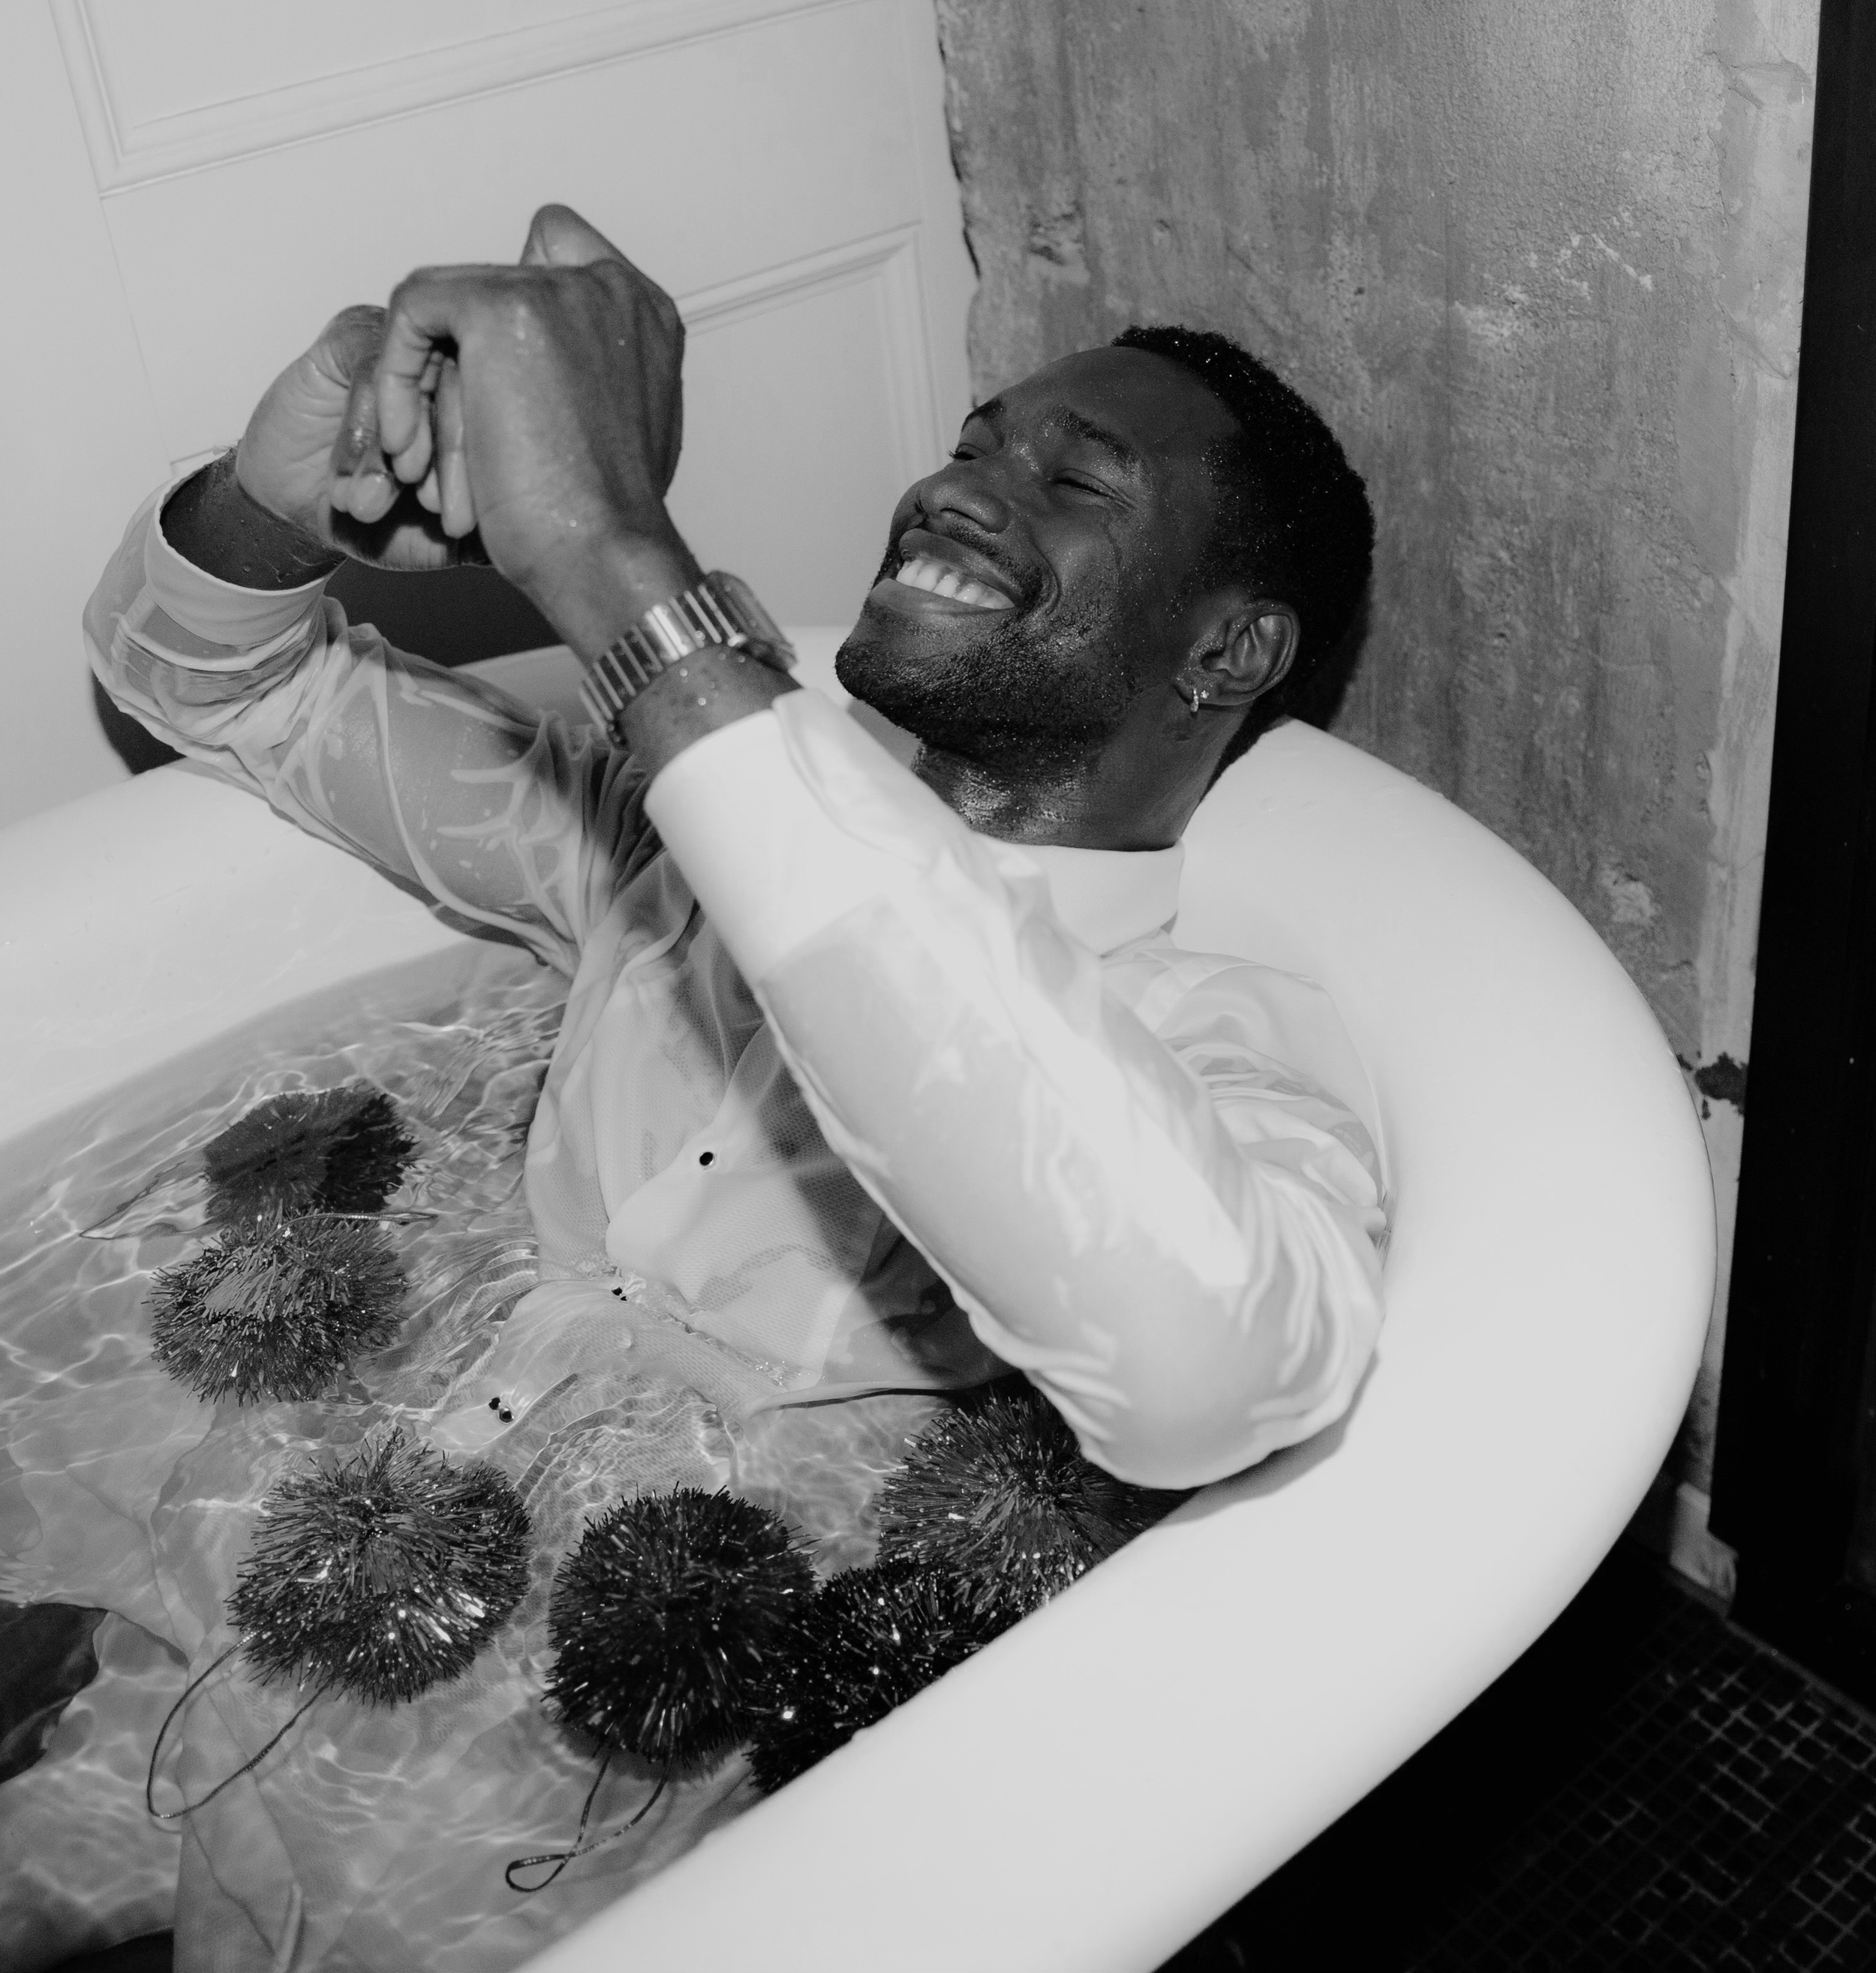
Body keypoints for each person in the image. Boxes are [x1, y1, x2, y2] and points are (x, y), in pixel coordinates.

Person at [73, 203, 1387, 1965]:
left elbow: (1201, 1369)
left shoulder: (1217, 1042)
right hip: (210, 1597)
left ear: (1226, 652)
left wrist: (615, 560)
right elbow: (204, 675)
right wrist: (271, 495)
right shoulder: (650, 836)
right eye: (969, 441)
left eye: (1072, 482)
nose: (953, 486)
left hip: (547, 1832)